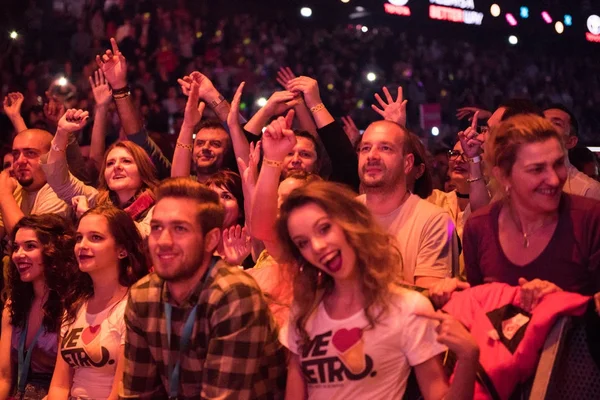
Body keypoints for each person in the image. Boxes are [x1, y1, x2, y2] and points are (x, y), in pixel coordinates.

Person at [278, 180, 479, 399]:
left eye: (324, 229)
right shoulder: (305, 308)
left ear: (351, 221)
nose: (317, 247)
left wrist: (468, 357)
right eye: (302, 243)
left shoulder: (407, 307)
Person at [120, 177, 286, 399]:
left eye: (180, 228)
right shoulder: (143, 295)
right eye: (157, 227)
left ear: (210, 240)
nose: (163, 241)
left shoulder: (234, 294)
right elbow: (138, 394)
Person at [431, 115, 600, 310]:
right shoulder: (479, 227)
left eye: (558, 164)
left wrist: (565, 303)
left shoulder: (590, 219)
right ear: (503, 176)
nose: (554, 179)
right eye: (537, 169)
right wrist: (456, 295)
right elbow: (480, 314)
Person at [47, 206, 148, 399]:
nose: (82, 246)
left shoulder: (133, 307)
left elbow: (119, 392)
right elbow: (59, 385)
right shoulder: (75, 304)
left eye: (95, 238)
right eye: (79, 238)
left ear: (122, 250)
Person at [356, 120, 457, 287]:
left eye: (385, 148)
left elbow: (427, 299)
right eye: (365, 148)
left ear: (408, 163)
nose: (372, 156)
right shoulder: (343, 214)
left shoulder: (434, 221)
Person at [41, 109, 158, 237]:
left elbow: (144, 233)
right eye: (110, 163)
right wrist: (61, 132)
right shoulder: (97, 200)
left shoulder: (157, 205)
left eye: (126, 161)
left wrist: (92, 216)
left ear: (143, 170)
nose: (117, 167)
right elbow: (58, 181)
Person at [0, 214, 78, 399]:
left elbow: (63, 385)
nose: (18, 255)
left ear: (53, 250)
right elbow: (3, 378)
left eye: (30, 246)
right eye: (16, 247)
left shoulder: (71, 304)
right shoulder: (15, 303)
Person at [0, 130, 71, 241]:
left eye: (30, 153)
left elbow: (29, 242)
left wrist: (4, 195)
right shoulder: (13, 186)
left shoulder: (60, 192)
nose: (20, 161)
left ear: (51, 157)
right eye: (16, 154)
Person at [543, 104, 600, 199]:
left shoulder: (588, 189)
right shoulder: (522, 178)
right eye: (542, 121)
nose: (545, 126)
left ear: (571, 141)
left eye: (557, 123)